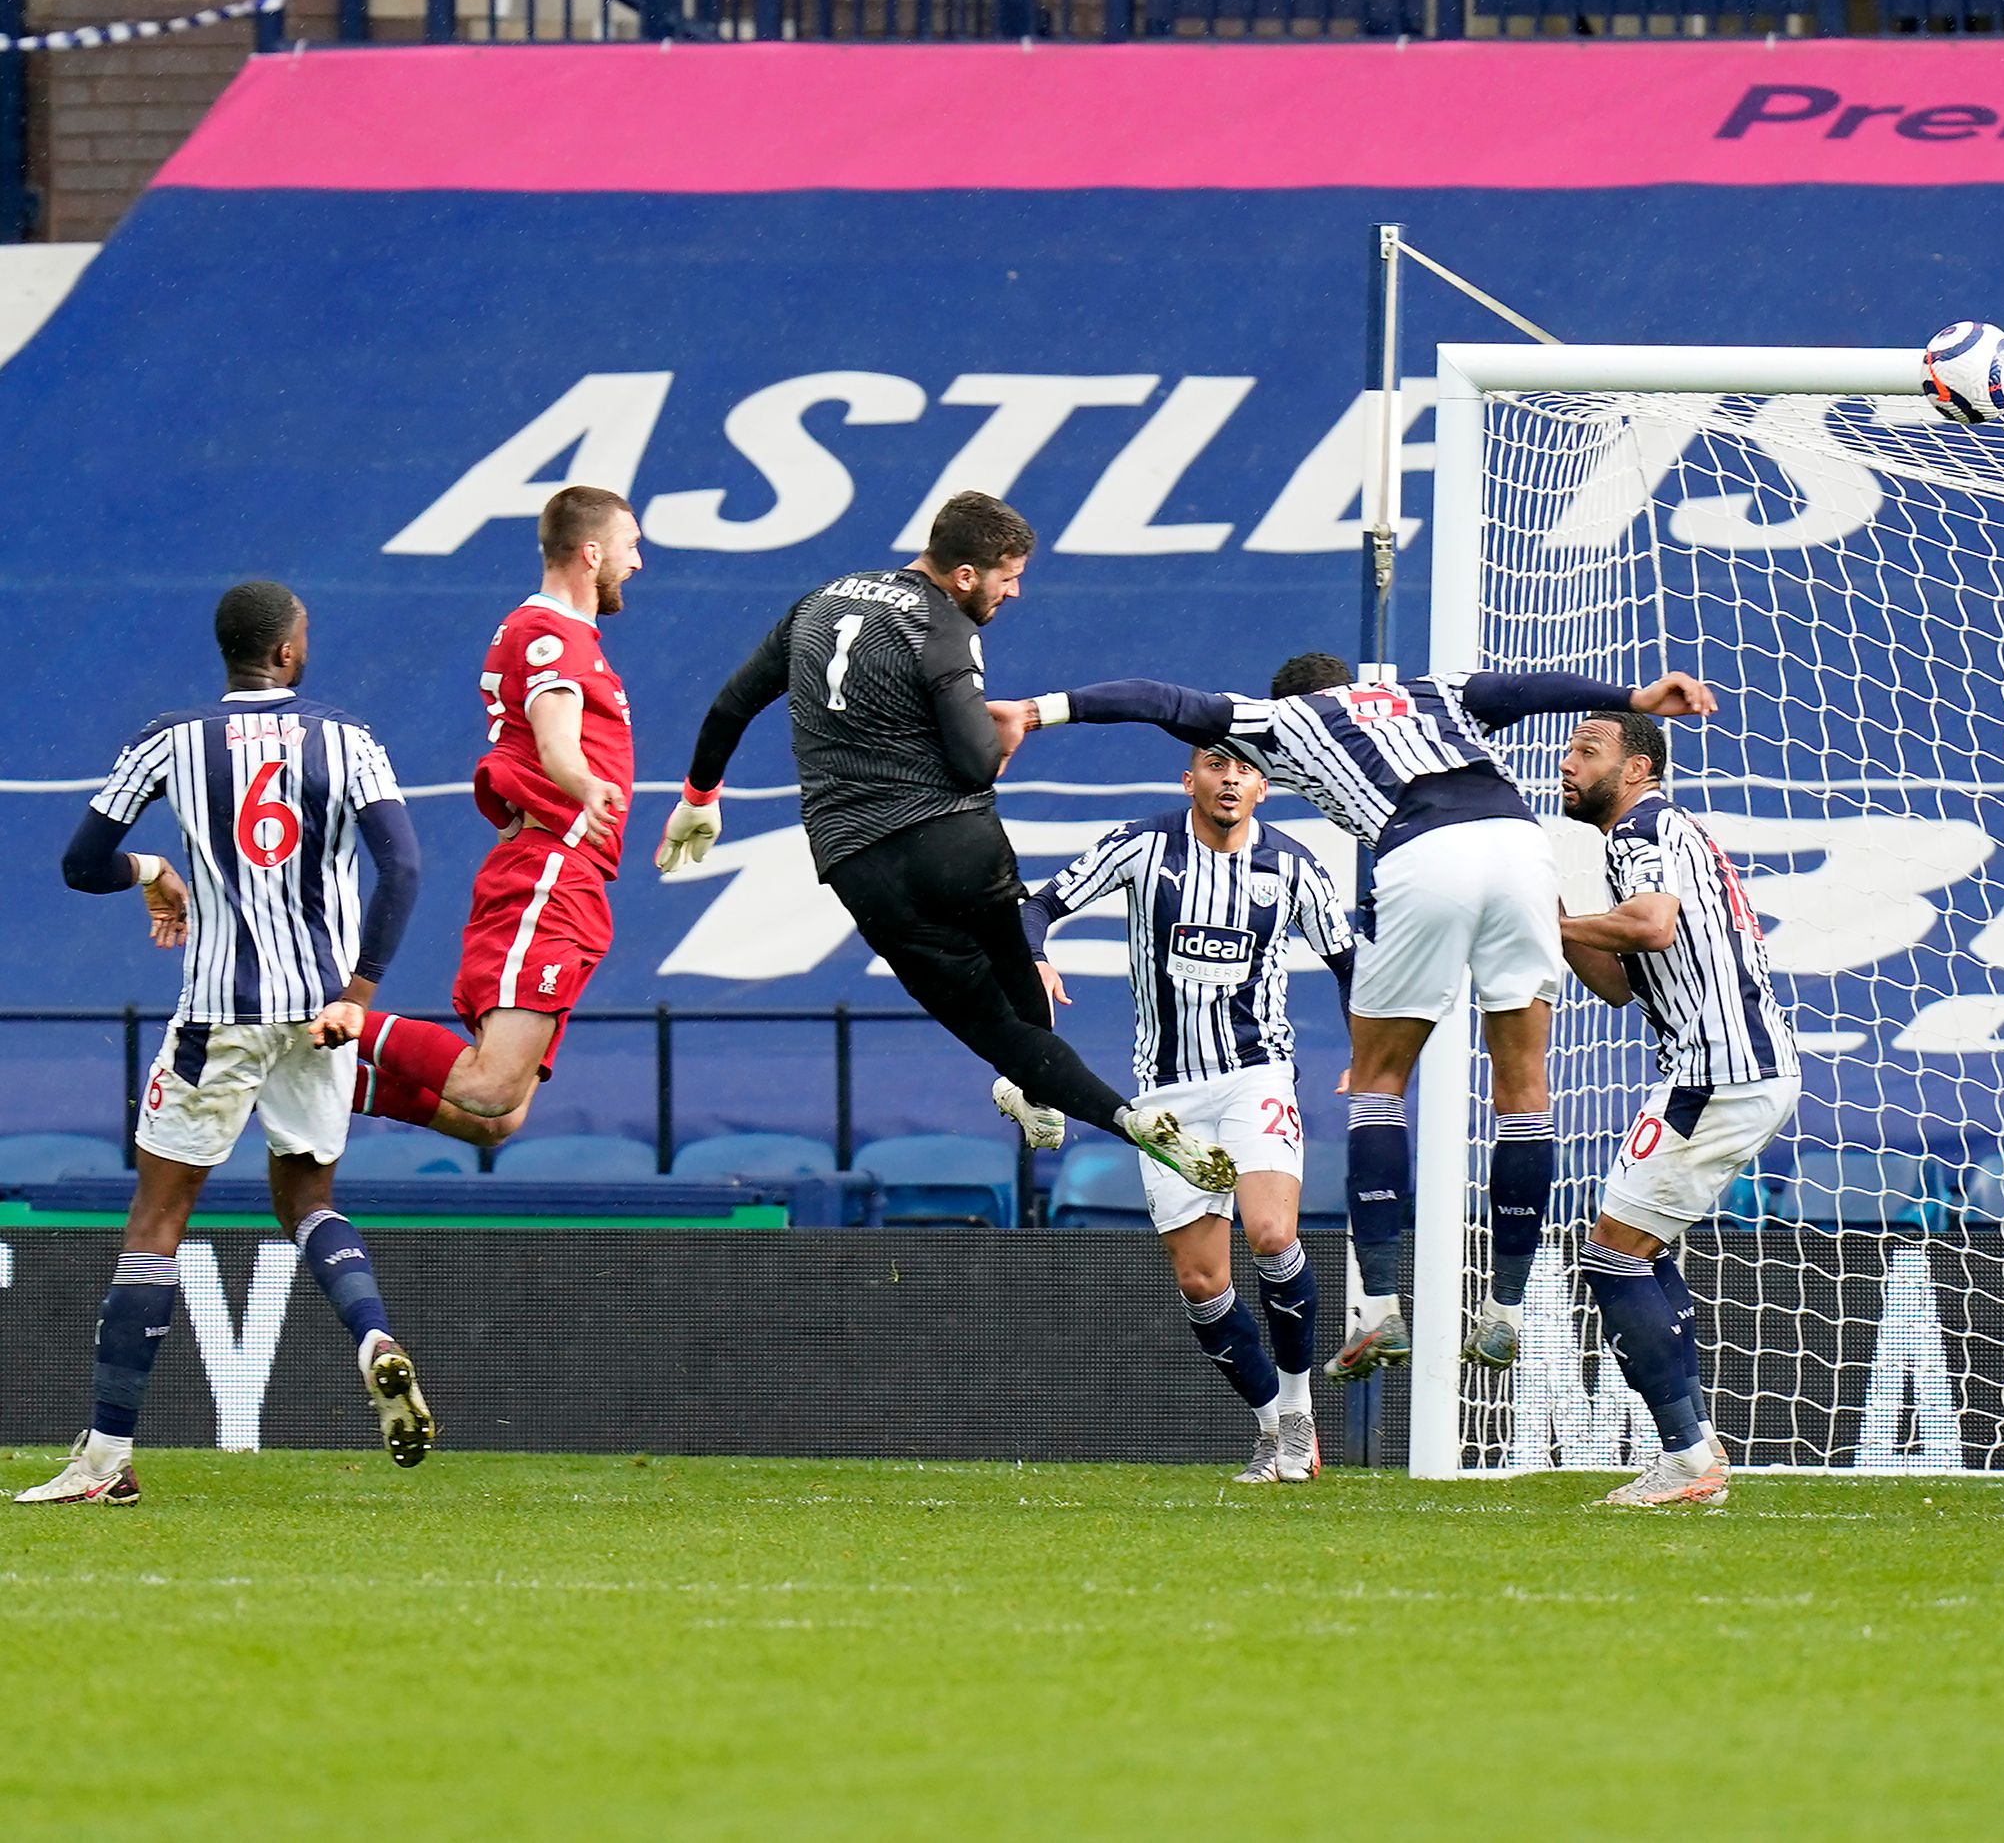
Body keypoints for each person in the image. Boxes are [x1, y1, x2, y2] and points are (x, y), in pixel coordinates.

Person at [1000, 654, 1715, 1379]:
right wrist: (1636, 696)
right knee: (1524, 1086)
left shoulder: (1285, 720)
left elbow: (1161, 695)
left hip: (1425, 850)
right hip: (1521, 846)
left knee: (1378, 1084)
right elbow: (1530, 690)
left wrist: (1035, 711)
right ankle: (1507, 1310)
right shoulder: (1429, 691)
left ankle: (1378, 1312)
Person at [663, 490, 1235, 1192]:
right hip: (954, 844)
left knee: (992, 1027)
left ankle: (1113, 1116)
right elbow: (970, 763)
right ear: (965, 575)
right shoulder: (942, 625)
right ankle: (1060, 1096)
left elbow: (732, 703)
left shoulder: (816, 603)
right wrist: (1000, 735)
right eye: (1008, 576)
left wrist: (699, 795)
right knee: (1015, 980)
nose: (1014, 591)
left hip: (858, 860)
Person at [20, 582, 430, 1505]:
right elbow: (401, 865)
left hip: (217, 1015)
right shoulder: (347, 740)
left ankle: (103, 1462)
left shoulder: (169, 740)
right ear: (287, 651)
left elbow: (82, 864)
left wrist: (154, 868)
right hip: (317, 1016)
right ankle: (372, 1337)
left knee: (157, 1221)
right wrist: (358, 993)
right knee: (309, 1200)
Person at [1018, 744, 1357, 1483]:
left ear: (1264, 787)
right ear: (1190, 780)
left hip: (1254, 1075)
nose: (1230, 778)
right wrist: (1037, 956)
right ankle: (1269, 1427)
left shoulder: (1293, 865)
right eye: (1214, 765)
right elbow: (1038, 906)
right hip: (1167, 1093)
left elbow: (1349, 961)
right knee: (1204, 1282)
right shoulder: (1144, 845)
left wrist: (1370, 1051)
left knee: (1271, 1233)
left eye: (1243, 769)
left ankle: (1298, 1416)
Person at [1556, 710, 1799, 1509]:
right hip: (1730, 1068)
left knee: (1612, 1255)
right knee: (1638, 1250)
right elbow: (1622, 984)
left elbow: (1652, 929)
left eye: (1587, 752)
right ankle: (1695, 1449)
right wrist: (1555, 927)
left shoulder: (1641, 829)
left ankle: (1688, 1458)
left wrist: (1546, 919)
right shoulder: (1660, 833)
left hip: (1718, 1073)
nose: (1568, 763)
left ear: (1635, 770)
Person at [349, 484, 642, 1145]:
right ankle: (304, 1018)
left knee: (496, 1120)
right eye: (631, 545)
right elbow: (555, 739)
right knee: (486, 1087)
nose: (638, 562)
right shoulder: (551, 633)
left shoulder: (562, 636)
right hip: (549, 876)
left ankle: (335, 1075)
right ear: (591, 552)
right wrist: (585, 785)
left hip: (571, 878)